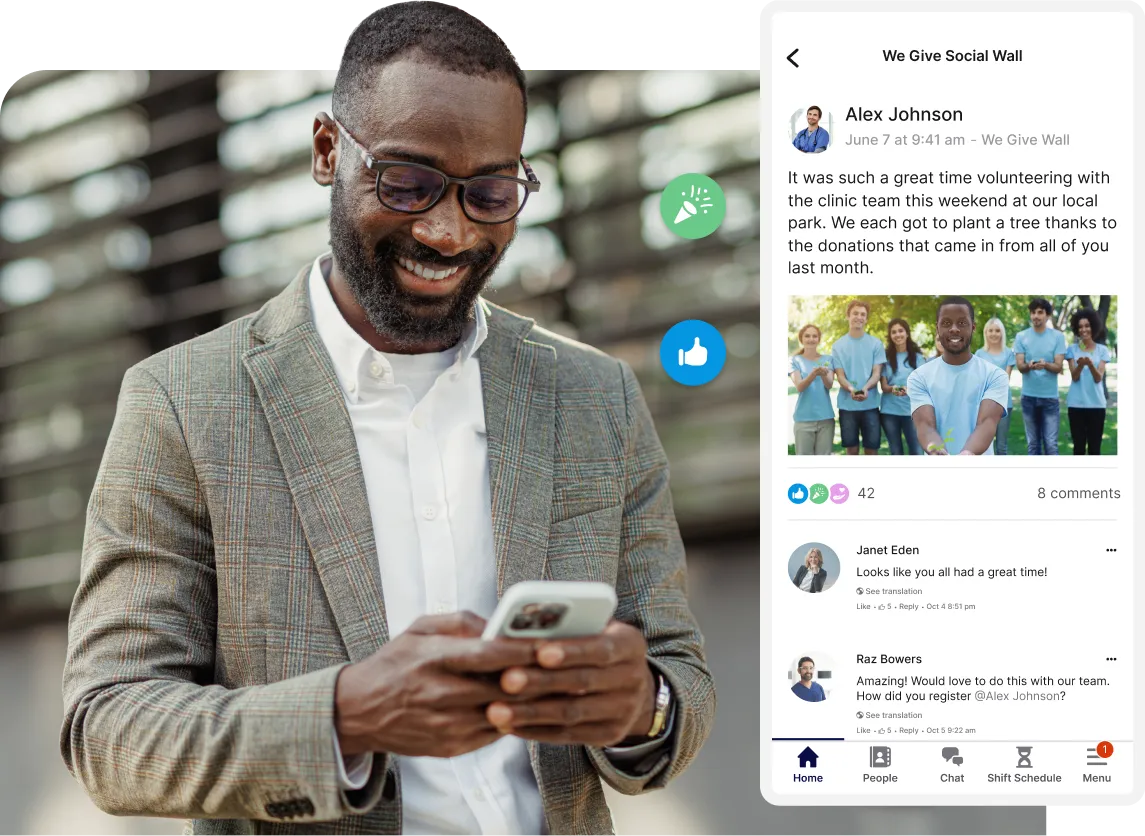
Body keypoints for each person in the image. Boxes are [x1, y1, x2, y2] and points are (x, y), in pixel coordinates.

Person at [59, 5, 714, 835]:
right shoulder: (183, 402)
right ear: (328, 151)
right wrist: (346, 715)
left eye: (489, 193)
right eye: (407, 183)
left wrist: (642, 705)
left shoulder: (595, 397)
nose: (448, 231)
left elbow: (679, 677)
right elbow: (109, 729)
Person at [908, 297, 1009, 456]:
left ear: (973, 327)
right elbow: (925, 425)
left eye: (962, 323)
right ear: (937, 328)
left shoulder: (995, 376)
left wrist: (966, 454)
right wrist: (938, 451)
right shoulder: (919, 377)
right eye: (946, 323)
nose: (954, 329)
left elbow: (987, 422)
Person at [830, 300, 885, 455]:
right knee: (851, 450)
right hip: (847, 406)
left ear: (866, 319)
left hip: (871, 405)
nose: (859, 317)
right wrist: (852, 389)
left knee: (871, 450)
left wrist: (865, 388)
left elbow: (876, 373)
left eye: (863, 314)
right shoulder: (837, 346)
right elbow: (840, 375)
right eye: (855, 313)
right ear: (848, 316)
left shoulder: (876, 344)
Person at [1013, 297, 1067, 455]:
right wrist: (1029, 366)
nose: (1036, 316)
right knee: (1033, 445)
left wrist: (1046, 365)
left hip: (1050, 398)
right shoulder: (1021, 336)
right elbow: (1020, 366)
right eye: (1033, 312)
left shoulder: (1058, 337)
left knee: (1051, 445)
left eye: (1040, 312)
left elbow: (1058, 367)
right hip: (1028, 397)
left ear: (1047, 315)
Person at [1065, 307, 1111, 455]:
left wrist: (1090, 364)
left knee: (1094, 449)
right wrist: (1080, 365)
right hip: (1076, 405)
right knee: (1078, 448)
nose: (1083, 330)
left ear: (1093, 327)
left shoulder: (1102, 350)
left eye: (1087, 326)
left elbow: (1098, 378)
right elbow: (1074, 377)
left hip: (1096, 405)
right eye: (1080, 327)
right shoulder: (1072, 350)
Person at [879, 318, 926, 455]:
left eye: (900, 331)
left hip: (912, 412)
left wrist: (909, 390)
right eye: (893, 332)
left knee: (916, 451)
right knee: (896, 452)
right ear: (890, 336)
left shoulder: (918, 358)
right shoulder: (885, 358)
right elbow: (884, 386)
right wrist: (892, 389)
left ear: (907, 333)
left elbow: (923, 384)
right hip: (889, 412)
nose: (897, 334)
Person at [789, 324, 835, 454]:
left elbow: (829, 385)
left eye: (814, 336)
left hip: (825, 418)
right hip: (803, 419)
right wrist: (813, 374)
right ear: (801, 339)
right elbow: (799, 386)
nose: (811, 339)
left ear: (819, 339)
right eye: (807, 336)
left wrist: (823, 374)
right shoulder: (794, 360)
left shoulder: (828, 359)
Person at [974, 317, 1017, 455]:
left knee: (1001, 446)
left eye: (997, 331)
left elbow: (1005, 380)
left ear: (1002, 333)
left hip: (1004, 404)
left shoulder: (1008, 353)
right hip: (983, 405)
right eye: (990, 330)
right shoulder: (979, 354)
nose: (994, 333)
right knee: (984, 445)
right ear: (985, 333)